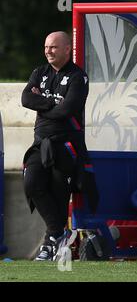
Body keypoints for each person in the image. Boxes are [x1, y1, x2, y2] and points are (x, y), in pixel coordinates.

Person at [21, 31, 99, 261]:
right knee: (32, 182)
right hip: (40, 142)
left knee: (58, 189)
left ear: (67, 49)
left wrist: (42, 104)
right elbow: (26, 99)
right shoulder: (40, 72)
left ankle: (50, 241)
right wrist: (54, 102)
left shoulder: (78, 77)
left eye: (53, 47)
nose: (48, 51)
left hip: (66, 144)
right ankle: (57, 232)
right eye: (46, 47)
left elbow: (68, 109)